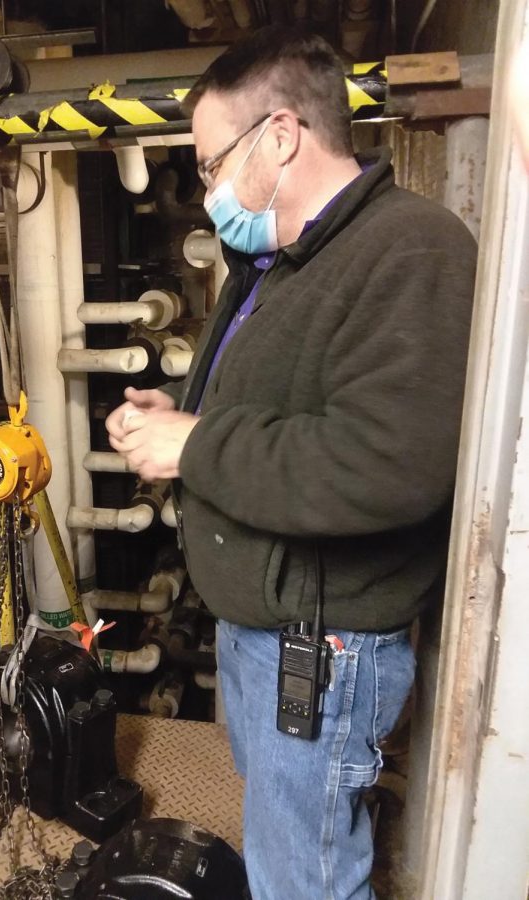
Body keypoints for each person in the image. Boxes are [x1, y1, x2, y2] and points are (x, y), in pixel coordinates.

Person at [106, 25, 477, 900]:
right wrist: (184, 418)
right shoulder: (277, 259)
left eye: (207, 164)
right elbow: (276, 411)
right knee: (288, 834)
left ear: (279, 135)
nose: (206, 193)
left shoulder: (411, 249)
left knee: (303, 877)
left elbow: (387, 463)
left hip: (322, 640)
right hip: (269, 627)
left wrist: (197, 443)